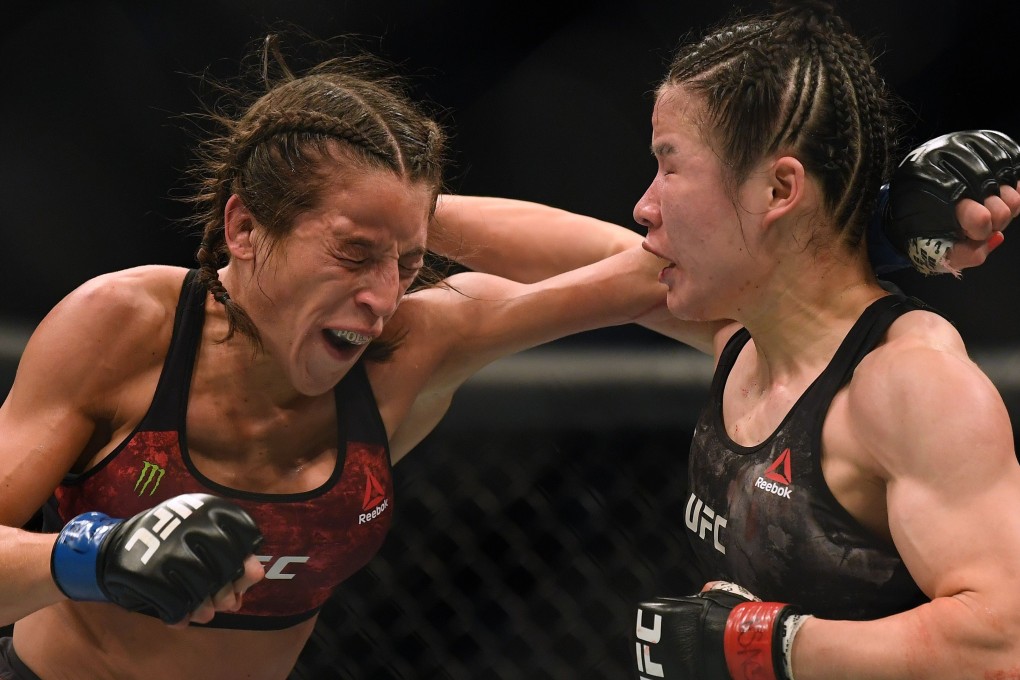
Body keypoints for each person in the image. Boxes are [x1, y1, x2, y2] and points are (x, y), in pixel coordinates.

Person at [0, 27, 1012, 680]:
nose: (383, 293)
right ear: (244, 227)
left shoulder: (412, 345)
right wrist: (93, 557)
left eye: (404, 259)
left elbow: (658, 267)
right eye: (353, 251)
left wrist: (860, 227)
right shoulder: (127, 327)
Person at [431, 2, 1020, 678]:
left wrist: (758, 645)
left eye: (671, 166)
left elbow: (1002, 641)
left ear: (777, 188)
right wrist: (399, 218)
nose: (645, 204)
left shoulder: (910, 387)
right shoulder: (742, 335)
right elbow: (581, 254)